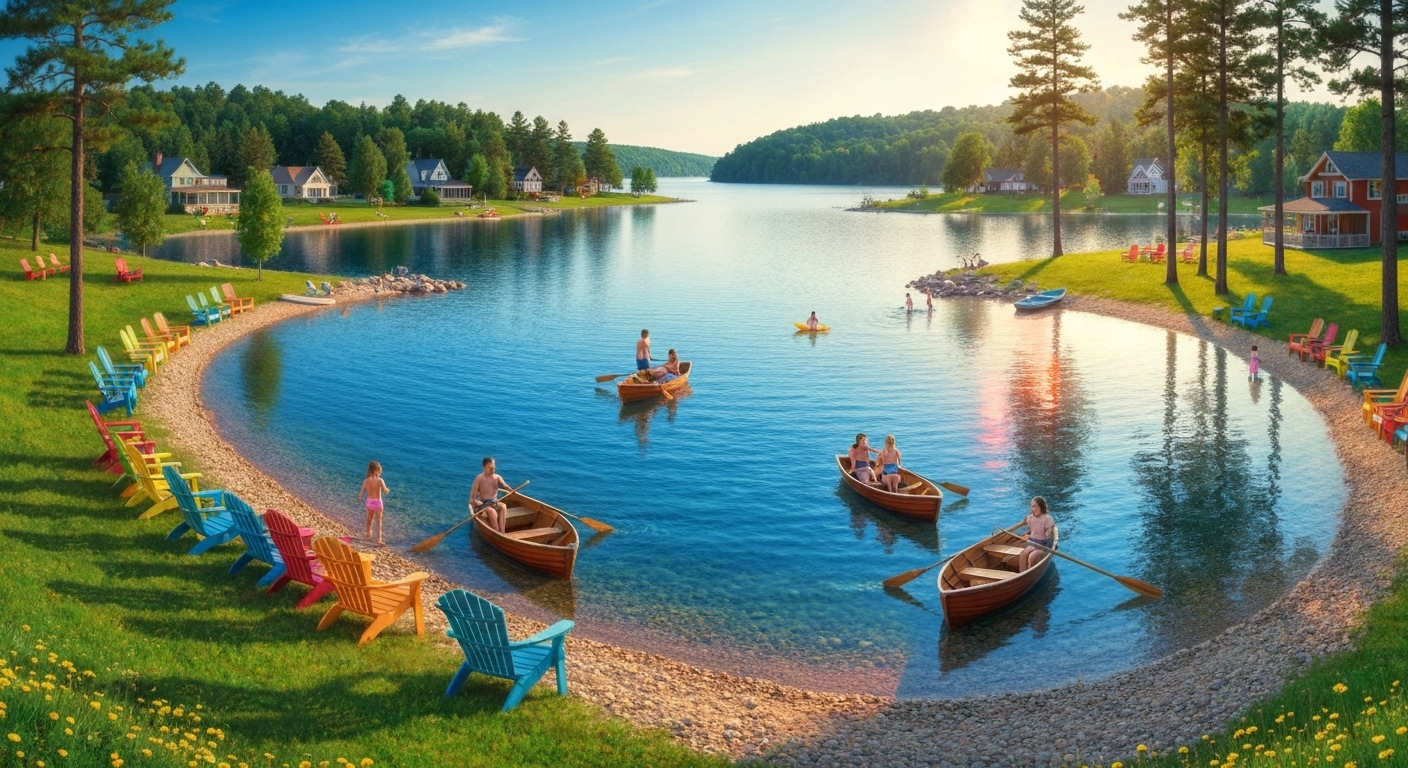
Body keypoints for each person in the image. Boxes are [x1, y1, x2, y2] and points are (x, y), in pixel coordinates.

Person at [470, 457, 513, 534]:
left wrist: (510, 490)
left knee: (503, 506)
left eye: (493, 467)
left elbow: (504, 485)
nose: (492, 470)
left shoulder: (497, 477)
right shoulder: (479, 478)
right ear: (484, 467)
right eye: (489, 468)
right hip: (484, 504)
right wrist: (474, 504)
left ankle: (502, 531)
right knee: (492, 511)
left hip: (493, 502)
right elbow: (472, 497)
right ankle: (496, 531)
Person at [1019, 496, 1055, 572]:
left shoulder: (1047, 519)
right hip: (1032, 543)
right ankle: (1022, 574)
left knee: (1032, 557)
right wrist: (1027, 535)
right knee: (1022, 555)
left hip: (1043, 545)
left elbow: (1049, 536)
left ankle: (1029, 574)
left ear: (1041, 506)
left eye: (1035, 506)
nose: (1033, 509)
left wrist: (1049, 531)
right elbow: (1030, 531)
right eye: (1032, 507)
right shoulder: (1030, 518)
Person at [359, 461, 390, 546]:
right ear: (376, 471)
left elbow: (361, 492)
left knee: (369, 518)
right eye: (379, 471)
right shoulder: (380, 480)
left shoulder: (366, 481)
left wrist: (360, 498)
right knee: (379, 521)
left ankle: (368, 535)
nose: (380, 473)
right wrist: (387, 490)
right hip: (378, 503)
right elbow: (385, 489)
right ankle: (379, 540)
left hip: (369, 502)